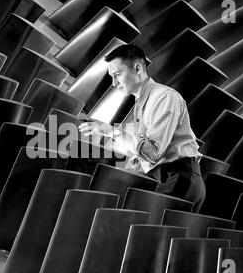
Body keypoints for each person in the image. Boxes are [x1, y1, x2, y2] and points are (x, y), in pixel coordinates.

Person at [78, 44, 206, 212]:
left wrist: (111, 131)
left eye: (117, 75)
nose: (114, 83)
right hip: (169, 178)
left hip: (178, 179)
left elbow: (153, 153)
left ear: (137, 68)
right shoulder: (143, 102)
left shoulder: (164, 97)